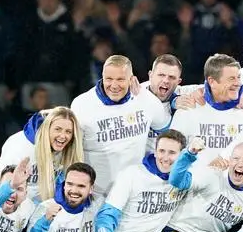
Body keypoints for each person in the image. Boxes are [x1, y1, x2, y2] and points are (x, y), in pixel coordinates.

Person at [71, 55, 172, 196]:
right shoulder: (81, 105)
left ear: (131, 79)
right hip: (96, 194)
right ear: (102, 77)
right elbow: (70, 151)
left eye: (120, 79)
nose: (114, 85)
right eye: (109, 79)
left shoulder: (147, 101)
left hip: (134, 193)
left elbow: (167, 133)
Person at [169, 53, 243, 153]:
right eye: (231, 78)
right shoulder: (188, 109)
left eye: (238, 77)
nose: (237, 83)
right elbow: (171, 152)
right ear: (212, 81)